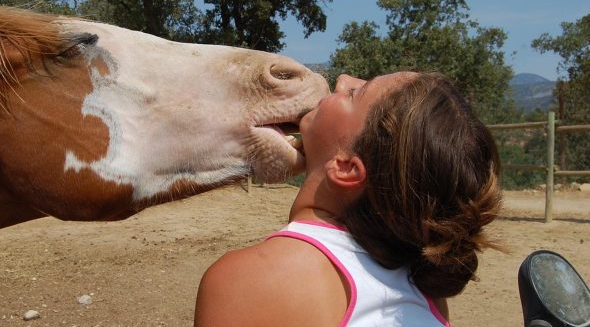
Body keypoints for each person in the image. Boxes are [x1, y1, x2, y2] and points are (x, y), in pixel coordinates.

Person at [194, 72, 502, 326]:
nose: (342, 79)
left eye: (355, 93)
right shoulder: (425, 292)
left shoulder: (256, 280)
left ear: (345, 168)